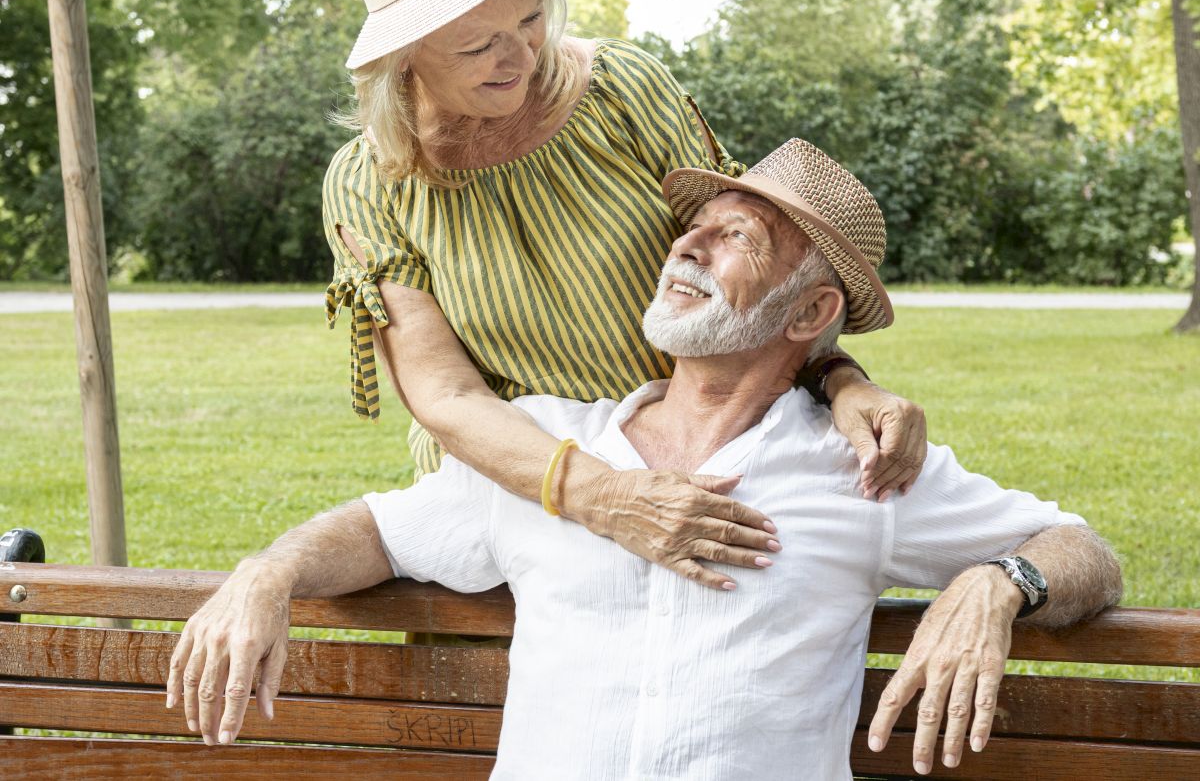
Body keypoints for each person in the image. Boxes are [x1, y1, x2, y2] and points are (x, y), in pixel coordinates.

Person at [171, 138, 1122, 779]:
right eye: (695, 225)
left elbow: (1086, 551)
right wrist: (269, 571)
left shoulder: (863, 472)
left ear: (808, 315)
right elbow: (378, 531)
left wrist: (998, 585)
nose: (688, 244)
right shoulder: (546, 443)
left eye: (735, 236)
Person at [322, 0, 929, 589]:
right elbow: (445, 395)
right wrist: (604, 497)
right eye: (479, 45)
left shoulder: (622, 90)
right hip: (510, 504)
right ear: (404, 55)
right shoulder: (369, 182)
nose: (519, 55)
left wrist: (841, 379)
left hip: (695, 472)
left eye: (531, 17)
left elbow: (756, 269)